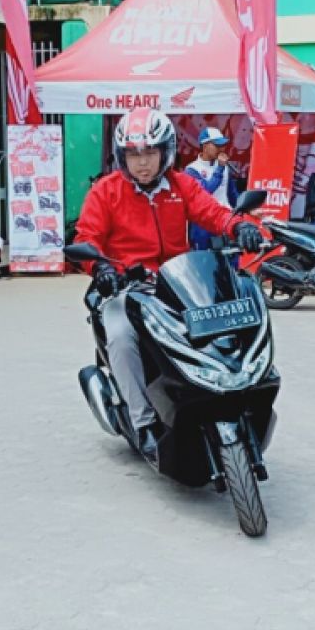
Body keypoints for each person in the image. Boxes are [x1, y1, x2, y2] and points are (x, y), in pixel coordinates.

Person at [74, 107, 264, 461]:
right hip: (127, 287)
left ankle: (224, 395)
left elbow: (213, 213)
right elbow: (88, 237)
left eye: (149, 153)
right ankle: (143, 422)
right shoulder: (106, 192)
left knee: (225, 320)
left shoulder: (181, 185)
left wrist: (240, 226)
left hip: (179, 280)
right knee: (120, 337)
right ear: (122, 157)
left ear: (165, 152)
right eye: (133, 154)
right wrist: (100, 267)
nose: (142, 162)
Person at [185, 127, 239, 250]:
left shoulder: (225, 168)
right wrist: (219, 168)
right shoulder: (192, 170)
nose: (222, 149)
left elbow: (232, 194)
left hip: (225, 219)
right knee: (206, 263)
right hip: (203, 225)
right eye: (217, 145)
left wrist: (249, 209)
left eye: (223, 145)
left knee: (230, 261)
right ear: (205, 146)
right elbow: (205, 191)